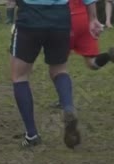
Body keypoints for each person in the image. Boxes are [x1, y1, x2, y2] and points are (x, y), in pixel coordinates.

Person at [10, 0, 102, 148]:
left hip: (30, 15)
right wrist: (93, 18)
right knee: (59, 69)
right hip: (60, 16)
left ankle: (32, 135)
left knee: (19, 76)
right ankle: (68, 107)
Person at [70, 0, 114, 72]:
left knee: (59, 66)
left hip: (65, 17)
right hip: (84, 18)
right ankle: (109, 56)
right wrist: (93, 19)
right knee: (92, 63)